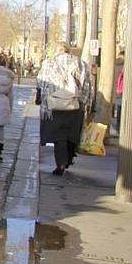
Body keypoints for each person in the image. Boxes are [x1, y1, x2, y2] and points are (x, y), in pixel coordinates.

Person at [36, 43, 93, 175]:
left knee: (58, 137)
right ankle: (69, 157)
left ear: (57, 51)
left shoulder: (49, 63)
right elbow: (87, 85)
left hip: (54, 105)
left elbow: (41, 82)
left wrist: (42, 100)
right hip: (75, 104)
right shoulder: (81, 63)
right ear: (69, 51)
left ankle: (61, 162)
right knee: (72, 133)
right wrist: (86, 104)